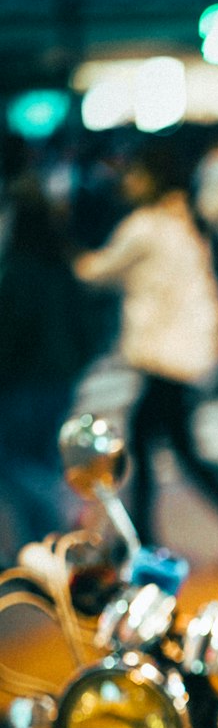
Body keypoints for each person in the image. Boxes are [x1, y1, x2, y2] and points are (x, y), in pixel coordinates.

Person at [73, 138, 218, 570]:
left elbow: (96, 271)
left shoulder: (146, 226)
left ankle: (148, 544)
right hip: (189, 354)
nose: (129, 178)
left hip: (167, 358)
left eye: (136, 171)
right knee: (161, 447)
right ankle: (152, 540)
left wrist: (64, 255)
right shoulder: (188, 219)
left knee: (163, 449)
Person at [0, 175, 96, 562]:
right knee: (39, 455)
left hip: (25, 383)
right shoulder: (61, 263)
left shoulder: (18, 274)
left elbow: (9, 337)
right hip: (60, 379)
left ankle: (57, 522)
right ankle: (41, 547)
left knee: (15, 461)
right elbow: (88, 325)